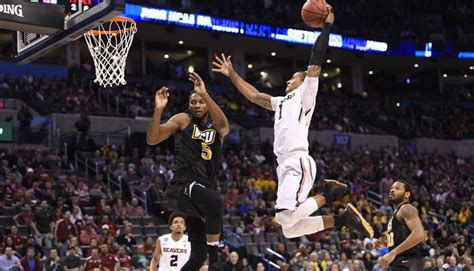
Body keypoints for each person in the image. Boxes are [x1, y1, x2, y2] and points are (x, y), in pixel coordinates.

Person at [212, 7, 373, 239]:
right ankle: (340, 219)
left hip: (297, 161)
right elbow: (255, 96)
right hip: (285, 164)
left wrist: (326, 27)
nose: (288, 80)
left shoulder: (306, 93)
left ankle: (329, 195)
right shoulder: (281, 101)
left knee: (285, 217)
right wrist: (232, 74)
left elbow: (316, 57)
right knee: (289, 229)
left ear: (303, 81)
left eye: (293, 78)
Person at [146, 71, 229, 270]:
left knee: (198, 255)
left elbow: (224, 125)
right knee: (216, 202)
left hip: (203, 189)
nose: (197, 105)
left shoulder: (216, 128)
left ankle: (210, 255)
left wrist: (204, 93)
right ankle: (215, 261)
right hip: (184, 184)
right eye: (193, 102)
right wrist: (158, 110)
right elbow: (152, 139)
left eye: (200, 102)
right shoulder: (183, 119)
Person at [373, 180, 425, 270]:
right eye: (391, 188)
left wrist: (392, 253)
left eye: (397, 188)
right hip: (401, 263)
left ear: (407, 194)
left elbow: (419, 235)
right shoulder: (396, 213)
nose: (392, 190)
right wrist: (385, 244)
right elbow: (400, 238)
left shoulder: (406, 208)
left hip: (408, 261)